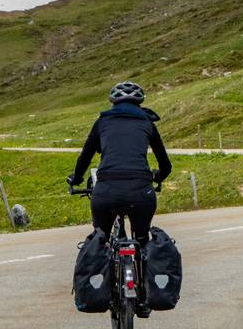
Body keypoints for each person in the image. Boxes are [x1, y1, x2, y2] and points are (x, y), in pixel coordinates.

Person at [67, 81, 171, 247]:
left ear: (113, 102)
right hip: (141, 191)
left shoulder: (102, 122)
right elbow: (166, 165)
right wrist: (157, 176)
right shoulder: (147, 123)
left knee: (100, 241)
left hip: (106, 191)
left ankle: (102, 259)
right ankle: (143, 260)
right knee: (143, 242)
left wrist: (76, 179)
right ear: (139, 103)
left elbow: (85, 157)